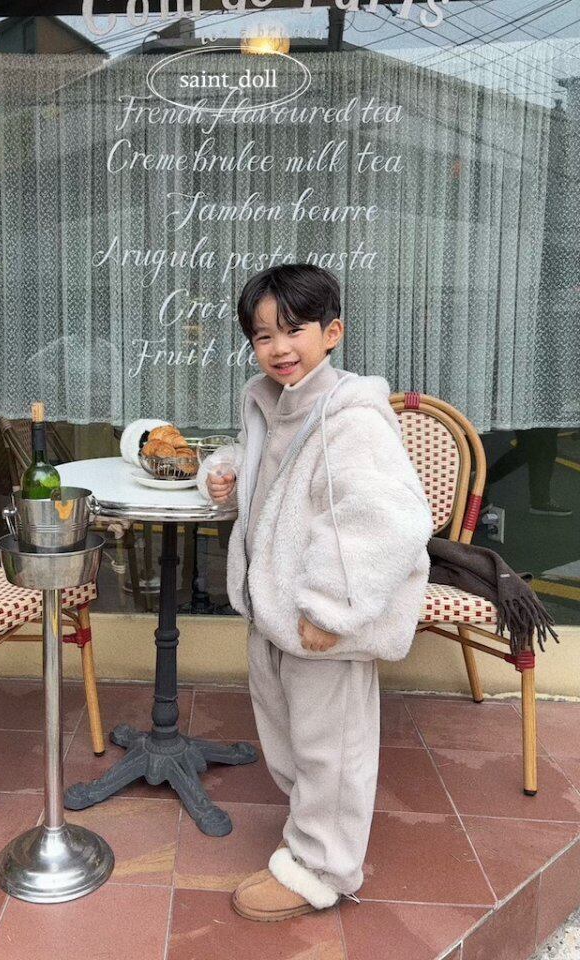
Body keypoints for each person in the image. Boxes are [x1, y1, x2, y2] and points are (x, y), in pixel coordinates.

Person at [196, 264, 433, 922]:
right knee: (291, 739)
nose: (279, 347)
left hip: (321, 617)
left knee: (332, 748)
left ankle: (322, 868)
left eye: (294, 329)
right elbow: (280, 486)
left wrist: (331, 609)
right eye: (263, 335)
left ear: (332, 333)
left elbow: (383, 519)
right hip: (275, 610)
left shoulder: (351, 418)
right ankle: (310, 835)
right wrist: (227, 476)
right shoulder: (273, 403)